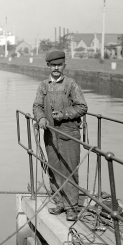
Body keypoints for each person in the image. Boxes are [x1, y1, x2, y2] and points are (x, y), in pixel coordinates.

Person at [33, 50, 88, 222]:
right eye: (53, 65)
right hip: (50, 135)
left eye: (59, 65)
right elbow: (37, 106)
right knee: (54, 168)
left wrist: (64, 114)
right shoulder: (43, 85)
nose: (56, 68)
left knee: (69, 169)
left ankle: (72, 207)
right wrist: (41, 117)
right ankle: (59, 202)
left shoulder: (71, 85)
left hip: (68, 134)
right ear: (48, 66)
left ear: (64, 65)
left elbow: (82, 107)